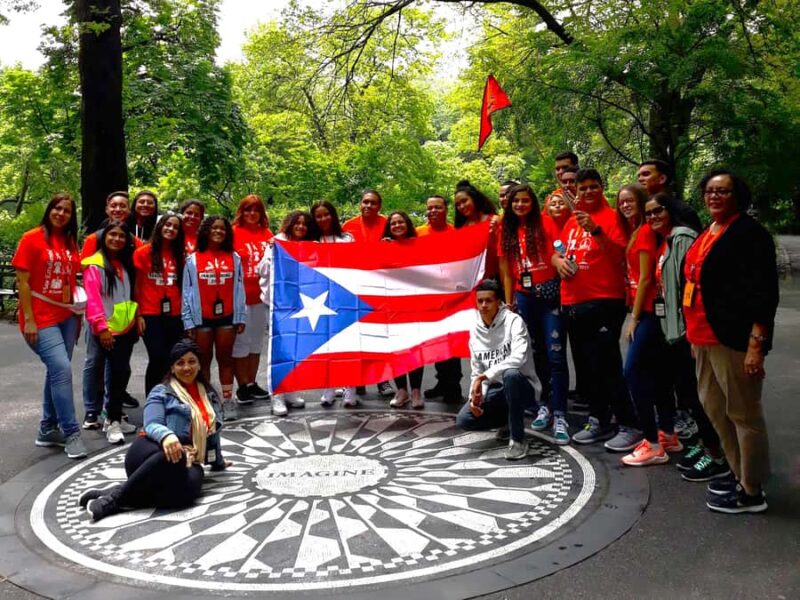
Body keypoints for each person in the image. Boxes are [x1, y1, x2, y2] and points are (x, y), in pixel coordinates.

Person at [684, 169, 778, 514]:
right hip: (702, 338)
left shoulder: (750, 234)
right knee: (715, 410)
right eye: (710, 190)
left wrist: (756, 344)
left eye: (722, 191)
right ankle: (739, 475)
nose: (714, 196)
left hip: (733, 340)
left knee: (743, 414)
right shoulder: (709, 231)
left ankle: (752, 491)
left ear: (737, 195)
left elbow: (764, 294)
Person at [81, 340, 229, 521]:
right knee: (174, 454)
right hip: (149, 451)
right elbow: (151, 423)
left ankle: (120, 490)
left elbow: (212, 435)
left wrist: (218, 461)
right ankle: (112, 501)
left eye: (192, 362)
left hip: (187, 459)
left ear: (199, 365)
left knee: (187, 494)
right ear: (172, 368)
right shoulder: (161, 391)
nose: (187, 367)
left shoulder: (209, 396)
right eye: (180, 363)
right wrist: (167, 436)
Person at [552, 168, 640, 450]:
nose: (588, 192)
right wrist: (557, 262)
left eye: (593, 186)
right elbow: (557, 250)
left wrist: (596, 230)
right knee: (588, 368)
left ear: (602, 187)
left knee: (608, 365)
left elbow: (621, 257)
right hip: (572, 302)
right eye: (583, 188)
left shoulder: (613, 217)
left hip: (604, 300)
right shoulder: (572, 220)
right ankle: (599, 419)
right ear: (576, 191)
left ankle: (629, 423)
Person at [645, 192, 729, 481]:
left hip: (686, 331)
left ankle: (717, 455)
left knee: (700, 396)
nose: (653, 217)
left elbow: (689, 286)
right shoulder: (667, 240)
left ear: (671, 211)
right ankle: (706, 445)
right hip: (674, 331)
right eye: (649, 213)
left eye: (658, 211)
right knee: (690, 395)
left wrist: (688, 331)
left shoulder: (682, 238)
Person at [13, 193, 88, 459]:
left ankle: (47, 428)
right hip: (39, 317)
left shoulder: (69, 241)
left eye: (67, 210)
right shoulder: (31, 238)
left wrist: (77, 314)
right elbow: (22, 283)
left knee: (57, 371)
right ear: (49, 210)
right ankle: (71, 432)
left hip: (66, 316)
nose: (61, 213)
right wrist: (29, 319)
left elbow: (70, 277)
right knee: (62, 369)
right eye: (57, 208)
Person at [498, 184, 569, 444]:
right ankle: (543, 406)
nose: (520, 205)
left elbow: (558, 250)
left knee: (555, 355)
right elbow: (507, 271)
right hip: (524, 298)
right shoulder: (506, 230)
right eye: (516, 201)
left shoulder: (545, 222)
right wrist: (509, 303)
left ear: (533, 203)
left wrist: (560, 259)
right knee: (534, 354)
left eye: (525, 200)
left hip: (549, 296)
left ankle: (560, 414)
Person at [615, 184, 680, 466]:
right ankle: (668, 433)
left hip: (650, 311)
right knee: (658, 373)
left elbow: (645, 278)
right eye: (621, 202)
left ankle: (652, 443)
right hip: (649, 310)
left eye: (630, 200)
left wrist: (634, 317)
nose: (625, 205)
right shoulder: (636, 231)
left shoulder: (643, 232)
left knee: (633, 372)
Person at [456, 279, 541, 461]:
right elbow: (476, 371)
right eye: (480, 301)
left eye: (488, 300)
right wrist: (475, 399)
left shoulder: (514, 321)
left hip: (523, 386)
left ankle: (518, 440)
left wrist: (485, 376)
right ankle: (508, 420)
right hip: (496, 390)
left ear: (499, 302)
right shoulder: (475, 330)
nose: (483, 306)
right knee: (464, 419)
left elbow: (517, 359)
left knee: (510, 374)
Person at [81, 191, 142, 427]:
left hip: (123, 319)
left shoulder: (133, 244)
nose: (118, 209)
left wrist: (137, 314)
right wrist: (99, 323)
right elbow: (90, 283)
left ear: (129, 210)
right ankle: (91, 409)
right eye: (114, 205)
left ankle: (112, 410)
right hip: (99, 317)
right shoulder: (93, 241)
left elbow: (136, 280)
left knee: (119, 367)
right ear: (107, 208)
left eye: (123, 206)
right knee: (94, 361)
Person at [182, 215, 246, 422]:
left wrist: (241, 316)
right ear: (206, 231)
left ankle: (227, 400)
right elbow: (186, 291)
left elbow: (240, 288)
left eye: (223, 229)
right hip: (201, 318)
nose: (218, 232)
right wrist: (188, 320)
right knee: (203, 360)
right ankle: (206, 400)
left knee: (226, 359)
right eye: (214, 228)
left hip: (227, 316)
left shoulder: (234, 257)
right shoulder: (192, 259)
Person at [342, 190, 394, 398]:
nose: (368, 206)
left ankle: (382, 379)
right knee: (357, 336)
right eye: (365, 202)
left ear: (379, 206)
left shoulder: (388, 224)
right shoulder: (348, 226)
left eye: (373, 203)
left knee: (380, 335)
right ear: (360, 204)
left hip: (381, 287)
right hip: (355, 287)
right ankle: (359, 380)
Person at [308, 200, 358, 408]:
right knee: (325, 344)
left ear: (333, 215)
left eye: (326, 214)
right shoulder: (310, 241)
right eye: (318, 216)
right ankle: (328, 387)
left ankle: (350, 387)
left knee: (348, 343)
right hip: (319, 299)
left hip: (345, 297)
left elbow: (358, 264)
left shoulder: (346, 239)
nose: (323, 219)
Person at [133, 213, 186, 395]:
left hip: (175, 314)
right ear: (160, 226)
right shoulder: (143, 253)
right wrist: (138, 314)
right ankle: (153, 399)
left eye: (176, 227)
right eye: (168, 225)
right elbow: (136, 286)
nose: (171, 229)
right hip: (150, 313)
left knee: (172, 358)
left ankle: (170, 396)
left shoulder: (180, 255)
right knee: (157, 357)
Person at [379, 211, 426, 410]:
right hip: (391, 306)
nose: (397, 226)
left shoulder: (419, 246)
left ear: (407, 224)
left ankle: (416, 391)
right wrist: (382, 249)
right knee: (396, 349)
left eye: (401, 222)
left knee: (415, 349)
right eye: (393, 223)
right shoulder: (382, 246)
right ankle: (401, 391)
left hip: (414, 305)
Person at [267, 211, 312, 415]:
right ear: (290, 224)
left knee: (295, 348)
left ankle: (290, 390)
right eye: (297, 223)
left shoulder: (311, 245)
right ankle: (277, 393)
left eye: (305, 224)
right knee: (280, 347)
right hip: (281, 303)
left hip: (304, 303)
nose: (301, 227)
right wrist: (273, 253)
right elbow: (263, 270)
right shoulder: (277, 242)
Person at [231, 195, 274, 405]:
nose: (252, 214)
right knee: (241, 342)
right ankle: (241, 386)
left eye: (256, 210)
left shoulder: (267, 234)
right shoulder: (233, 232)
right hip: (241, 297)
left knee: (256, 343)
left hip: (262, 296)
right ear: (241, 211)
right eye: (248, 209)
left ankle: (251, 382)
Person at [637, 159, 703, 232]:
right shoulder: (642, 211)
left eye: (646, 174)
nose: (640, 179)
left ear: (662, 179)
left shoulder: (682, 211)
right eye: (639, 176)